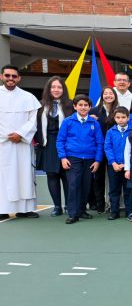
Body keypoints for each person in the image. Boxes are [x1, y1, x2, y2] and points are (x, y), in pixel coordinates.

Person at [0, 65, 41, 220]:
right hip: (2, 144)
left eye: (14, 76)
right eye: (7, 75)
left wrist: (20, 134)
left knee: (25, 175)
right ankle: (2, 209)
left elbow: (33, 120)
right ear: (1, 76)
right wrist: (6, 136)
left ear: (19, 78)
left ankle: (25, 209)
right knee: (3, 177)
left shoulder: (28, 97)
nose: (10, 79)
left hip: (22, 143)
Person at [56, 94, 104, 224]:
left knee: (86, 186)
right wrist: (63, 157)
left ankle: (82, 210)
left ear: (90, 107)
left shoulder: (94, 123)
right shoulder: (68, 122)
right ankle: (73, 213)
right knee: (73, 185)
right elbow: (60, 140)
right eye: (80, 105)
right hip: (73, 158)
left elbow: (100, 142)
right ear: (75, 106)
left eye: (86, 105)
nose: (83, 107)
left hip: (90, 158)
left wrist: (97, 160)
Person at [35, 76, 73, 217]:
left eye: (59, 87)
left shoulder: (71, 105)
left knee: (67, 175)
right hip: (48, 143)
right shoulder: (39, 106)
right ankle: (57, 206)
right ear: (48, 89)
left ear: (64, 89)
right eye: (53, 87)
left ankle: (69, 205)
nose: (56, 90)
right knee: (52, 175)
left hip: (67, 143)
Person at [88, 86, 119, 213]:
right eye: (105, 93)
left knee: (114, 178)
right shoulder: (93, 111)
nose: (108, 96)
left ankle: (113, 204)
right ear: (102, 96)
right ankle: (100, 204)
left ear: (115, 96)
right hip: (98, 149)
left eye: (111, 93)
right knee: (98, 178)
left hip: (114, 149)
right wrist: (91, 119)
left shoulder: (119, 110)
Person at [103, 106, 131, 220]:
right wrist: (113, 162)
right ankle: (114, 211)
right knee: (114, 189)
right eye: (118, 117)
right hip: (114, 166)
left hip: (128, 166)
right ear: (114, 118)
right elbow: (107, 148)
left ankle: (129, 211)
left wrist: (127, 164)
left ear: (128, 118)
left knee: (128, 189)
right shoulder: (110, 132)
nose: (121, 120)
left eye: (123, 117)